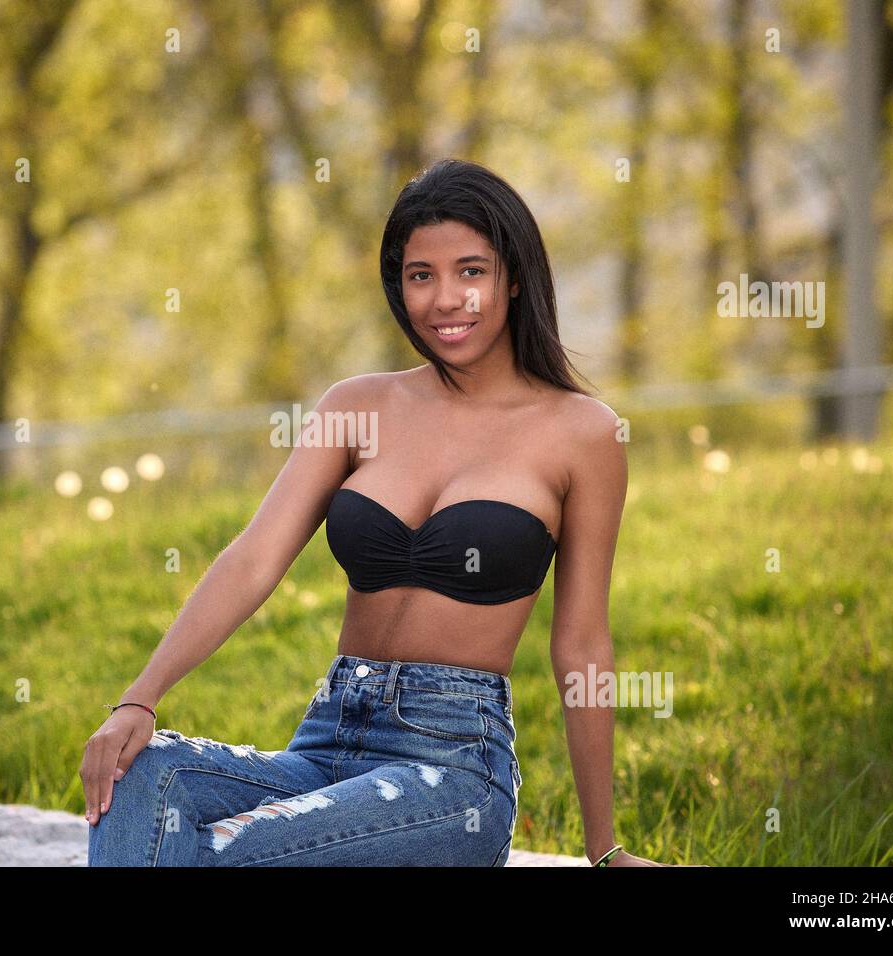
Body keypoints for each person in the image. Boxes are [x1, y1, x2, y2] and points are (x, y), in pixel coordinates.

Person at [83, 158, 665, 866]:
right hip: (327, 743)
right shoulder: (355, 405)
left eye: (470, 271)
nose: (445, 298)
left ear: (513, 277)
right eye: (421, 275)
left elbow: (581, 647)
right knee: (139, 772)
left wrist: (604, 849)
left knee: (229, 853)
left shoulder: (583, 433)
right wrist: (139, 699)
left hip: (451, 771)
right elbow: (255, 557)